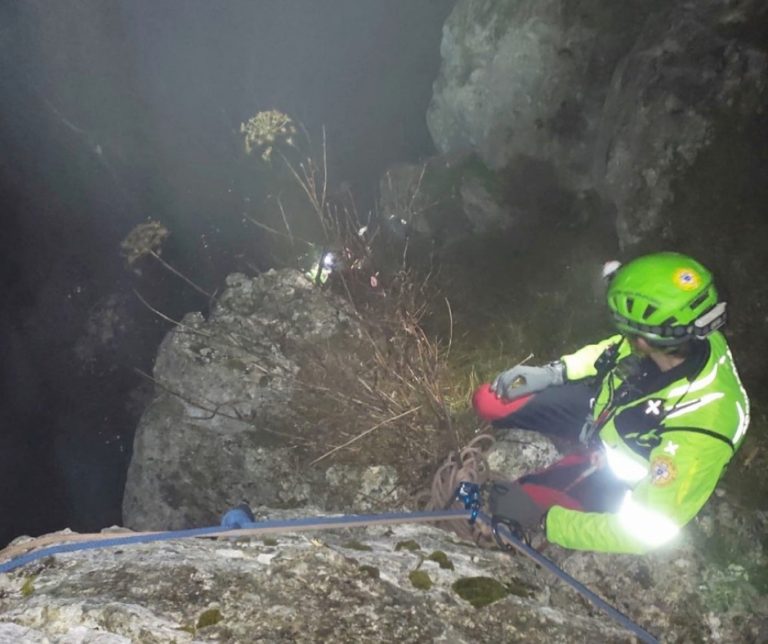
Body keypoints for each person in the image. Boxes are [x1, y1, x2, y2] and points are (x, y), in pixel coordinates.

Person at [472, 252, 749, 554]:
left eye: (628, 330)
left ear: (644, 340)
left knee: (518, 501)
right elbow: (613, 350)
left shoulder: (704, 425)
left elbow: (648, 532)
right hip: (603, 412)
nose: (624, 336)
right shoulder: (681, 335)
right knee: (490, 400)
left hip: (625, 470)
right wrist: (555, 372)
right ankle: (578, 453)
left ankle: (573, 470)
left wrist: (545, 521)